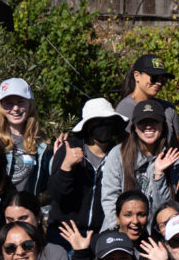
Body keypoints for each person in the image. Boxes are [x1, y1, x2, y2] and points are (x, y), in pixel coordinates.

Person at [48, 98, 128, 238]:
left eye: (108, 123)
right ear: (88, 126)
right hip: (64, 234)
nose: (104, 128)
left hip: (100, 236)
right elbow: (56, 194)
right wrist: (66, 167)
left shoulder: (119, 155)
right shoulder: (68, 149)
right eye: (98, 123)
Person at [100, 100, 179, 231]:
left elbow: (164, 208)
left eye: (154, 121)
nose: (148, 127)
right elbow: (110, 198)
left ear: (163, 126)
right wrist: (120, 230)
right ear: (134, 128)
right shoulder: (117, 154)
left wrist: (158, 175)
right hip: (119, 230)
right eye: (142, 122)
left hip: (153, 234)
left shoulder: (171, 159)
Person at [115, 55, 179, 141]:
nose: (159, 83)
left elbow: (176, 146)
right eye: (154, 78)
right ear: (137, 76)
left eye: (162, 79)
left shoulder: (169, 108)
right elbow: (123, 149)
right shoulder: (126, 109)